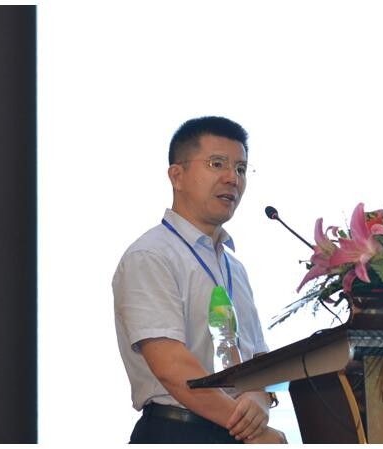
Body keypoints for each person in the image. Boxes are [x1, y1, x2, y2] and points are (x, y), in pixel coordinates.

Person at [113, 116, 286, 444]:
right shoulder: (150, 255)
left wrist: (259, 400)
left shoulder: (235, 267)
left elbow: (258, 359)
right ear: (177, 175)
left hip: (233, 434)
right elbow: (172, 368)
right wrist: (252, 430)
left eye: (240, 168)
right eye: (217, 164)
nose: (232, 178)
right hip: (177, 431)